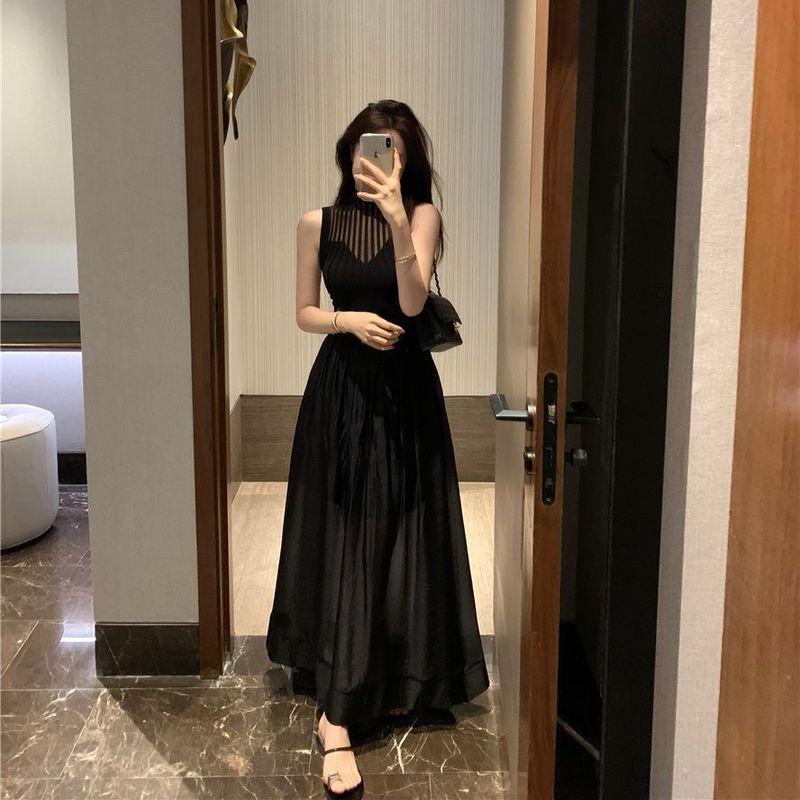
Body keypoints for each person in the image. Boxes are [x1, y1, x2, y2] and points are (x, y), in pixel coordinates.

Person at [266, 99, 489, 798]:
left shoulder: (422, 217)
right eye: (371, 148)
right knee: (349, 532)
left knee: (398, 528)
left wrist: (396, 218)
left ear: (407, 159)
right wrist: (349, 321)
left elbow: (414, 303)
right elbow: (304, 312)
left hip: (405, 394)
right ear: (350, 154)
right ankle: (336, 712)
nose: (380, 162)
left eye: (394, 149)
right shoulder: (316, 222)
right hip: (340, 391)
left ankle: (390, 673)